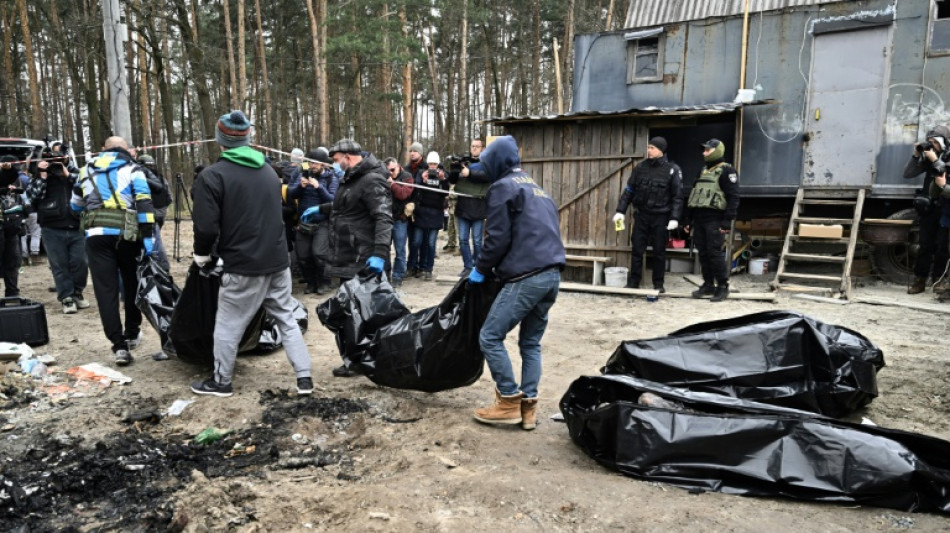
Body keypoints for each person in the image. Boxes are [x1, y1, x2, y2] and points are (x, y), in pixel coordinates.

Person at [190, 110, 314, 396]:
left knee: (228, 324)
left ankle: (221, 381)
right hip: (278, 261)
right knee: (286, 318)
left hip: (243, 264)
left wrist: (202, 255)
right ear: (248, 138)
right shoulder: (269, 172)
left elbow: (206, 227)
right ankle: (304, 378)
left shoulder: (212, 176)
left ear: (220, 139)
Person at [467, 135, 565, 430]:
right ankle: (528, 408)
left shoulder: (502, 188)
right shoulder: (538, 189)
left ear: (497, 162)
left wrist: (480, 269)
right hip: (552, 275)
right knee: (530, 343)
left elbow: (497, 238)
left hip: (527, 276)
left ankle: (508, 400)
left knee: (489, 336)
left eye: (487, 163)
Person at [299, 138, 392, 378]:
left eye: (336, 160)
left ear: (348, 158)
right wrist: (321, 209)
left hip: (362, 256)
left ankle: (362, 360)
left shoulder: (371, 180)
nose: (334, 165)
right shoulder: (350, 178)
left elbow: (383, 217)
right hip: (347, 255)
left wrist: (380, 253)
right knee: (350, 310)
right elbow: (345, 207)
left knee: (361, 312)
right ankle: (355, 358)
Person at [71, 136, 155, 365]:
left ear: (103, 150)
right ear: (126, 149)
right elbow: (144, 203)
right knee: (131, 283)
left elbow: (75, 205)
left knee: (105, 290)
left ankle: (118, 346)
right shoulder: (133, 169)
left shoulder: (84, 171)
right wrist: (148, 236)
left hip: (96, 236)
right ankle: (132, 332)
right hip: (127, 236)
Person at [612, 137, 683, 292]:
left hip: (661, 217)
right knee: (637, 249)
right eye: (648, 147)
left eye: (652, 148)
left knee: (659, 251)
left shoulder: (672, 170)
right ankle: (634, 282)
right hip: (642, 215)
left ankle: (658, 284)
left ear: (661, 150)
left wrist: (674, 218)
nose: (649, 150)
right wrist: (620, 211)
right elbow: (629, 190)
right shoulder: (641, 167)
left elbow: (677, 196)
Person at [26, 146, 89, 313]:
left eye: (59, 159)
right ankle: (67, 298)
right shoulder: (38, 177)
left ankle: (77, 293)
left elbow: (87, 190)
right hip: (52, 228)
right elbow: (33, 197)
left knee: (81, 263)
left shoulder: (76, 174)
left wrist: (67, 175)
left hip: (77, 226)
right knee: (60, 265)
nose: (56, 163)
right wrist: (42, 176)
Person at [684, 138, 740, 303]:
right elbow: (694, 195)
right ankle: (708, 284)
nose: (704, 153)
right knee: (703, 253)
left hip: (715, 219)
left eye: (708, 150)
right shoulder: (703, 171)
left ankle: (722, 286)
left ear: (718, 151)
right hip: (699, 219)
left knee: (714, 253)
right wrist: (688, 219)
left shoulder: (727, 171)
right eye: (704, 150)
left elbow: (734, 197)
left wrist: (727, 221)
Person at [903, 126, 950, 294]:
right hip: (928, 208)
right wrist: (916, 155)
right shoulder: (928, 157)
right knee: (924, 245)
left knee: (942, 247)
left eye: (935, 142)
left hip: (945, 208)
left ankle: (938, 280)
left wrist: (935, 159)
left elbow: (943, 170)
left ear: (944, 142)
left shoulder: (947, 156)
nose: (931, 145)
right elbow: (908, 174)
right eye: (929, 142)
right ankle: (920, 280)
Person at [287, 147, 338, 294]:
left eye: (315, 163)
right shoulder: (302, 175)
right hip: (304, 223)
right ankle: (311, 283)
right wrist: (300, 187)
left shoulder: (331, 178)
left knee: (319, 254)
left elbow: (332, 201)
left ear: (323, 164)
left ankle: (324, 282)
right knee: (303, 256)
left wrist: (319, 187)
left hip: (322, 223)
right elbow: (291, 194)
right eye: (310, 162)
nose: (312, 166)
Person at [448, 139, 491, 277]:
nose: (474, 148)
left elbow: (487, 177)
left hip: (479, 207)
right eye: (472, 146)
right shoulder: (464, 162)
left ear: (482, 148)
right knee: (463, 240)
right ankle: (468, 266)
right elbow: (452, 180)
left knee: (477, 241)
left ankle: (477, 267)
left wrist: (470, 173)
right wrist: (454, 169)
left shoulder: (487, 163)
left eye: (477, 146)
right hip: (463, 206)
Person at [411, 152, 449, 280]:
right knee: (416, 241)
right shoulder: (421, 173)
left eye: (435, 164)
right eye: (431, 164)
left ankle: (429, 269)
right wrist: (423, 180)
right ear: (427, 164)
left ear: (438, 164)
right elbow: (416, 189)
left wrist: (443, 179)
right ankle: (414, 266)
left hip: (436, 213)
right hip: (422, 212)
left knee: (431, 243)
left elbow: (445, 193)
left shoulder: (443, 174)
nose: (432, 166)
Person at [136, 154, 173, 271]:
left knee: (154, 243)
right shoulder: (161, 178)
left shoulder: (143, 179)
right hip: (161, 214)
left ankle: (161, 267)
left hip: (150, 214)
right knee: (154, 241)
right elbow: (169, 198)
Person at [383, 157, 414, 288]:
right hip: (385, 218)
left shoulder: (407, 177)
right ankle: (385, 275)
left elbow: (403, 194)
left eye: (392, 170)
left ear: (398, 166)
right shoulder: (382, 176)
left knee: (400, 249)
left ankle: (398, 275)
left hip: (400, 219)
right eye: (388, 171)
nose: (391, 173)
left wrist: (392, 184)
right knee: (384, 249)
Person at [0, 156, 26, 297]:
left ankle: (12, 293)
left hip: (10, 225)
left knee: (12, 261)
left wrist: (8, 169)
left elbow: (9, 178)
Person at [405, 142, 425, 277]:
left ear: (421, 153)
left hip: (423, 209)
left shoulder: (427, 168)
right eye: (411, 151)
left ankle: (421, 266)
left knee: (420, 241)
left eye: (415, 151)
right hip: (408, 209)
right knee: (412, 240)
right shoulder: (406, 169)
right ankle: (411, 266)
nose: (412, 153)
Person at [930, 171, 950, 301]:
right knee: (944, 252)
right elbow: (933, 194)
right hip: (947, 219)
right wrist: (936, 181)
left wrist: (943, 186)